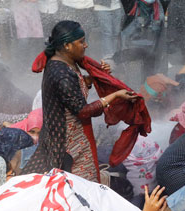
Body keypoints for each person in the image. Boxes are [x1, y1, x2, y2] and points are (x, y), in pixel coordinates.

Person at [24, 21, 138, 182]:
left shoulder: (66, 63)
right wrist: (115, 96)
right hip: (68, 143)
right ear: (67, 45)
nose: (86, 45)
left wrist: (97, 76)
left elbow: (72, 92)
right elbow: (83, 111)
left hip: (72, 136)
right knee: (77, 187)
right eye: (81, 42)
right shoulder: (61, 72)